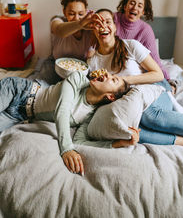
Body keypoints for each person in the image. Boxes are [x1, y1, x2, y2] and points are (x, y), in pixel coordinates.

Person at [73, 9, 183, 152]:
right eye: (97, 24)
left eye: (107, 22)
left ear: (115, 27)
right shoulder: (92, 63)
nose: (103, 26)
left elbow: (158, 74)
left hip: (153, 91)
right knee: (130, 129)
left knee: (147, 116)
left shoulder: (130, 45)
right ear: (92, 30)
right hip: (128, 103)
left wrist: (124, 81)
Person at [0, 71, 136, 175]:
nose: (106, 74)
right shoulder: (77, 78)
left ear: (110, 96)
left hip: (19, 115)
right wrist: (66, 148)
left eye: (113, 80)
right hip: (19, 90)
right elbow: (62, 109)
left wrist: (119, 143)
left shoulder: (88, 116)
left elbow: (80, 141)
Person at [35, 0, 104, 85]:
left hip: (79, 70)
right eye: (71, 14)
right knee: (39, 85)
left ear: (86, 12)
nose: (76, 18)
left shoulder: (89, 28)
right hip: (55, 65)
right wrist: (80, 23)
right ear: (64, 12)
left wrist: (95, 30)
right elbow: (59, 30)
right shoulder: (57, 20)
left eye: (81, 14)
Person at [114, 0, 170, 81]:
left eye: (140, 6)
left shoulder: (145, 30)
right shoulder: (113, 19)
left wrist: (167, 80)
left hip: (133, 73)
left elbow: (155, 60)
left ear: (143, 12)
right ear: (125, 6)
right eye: (132, 3)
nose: (135, 8)